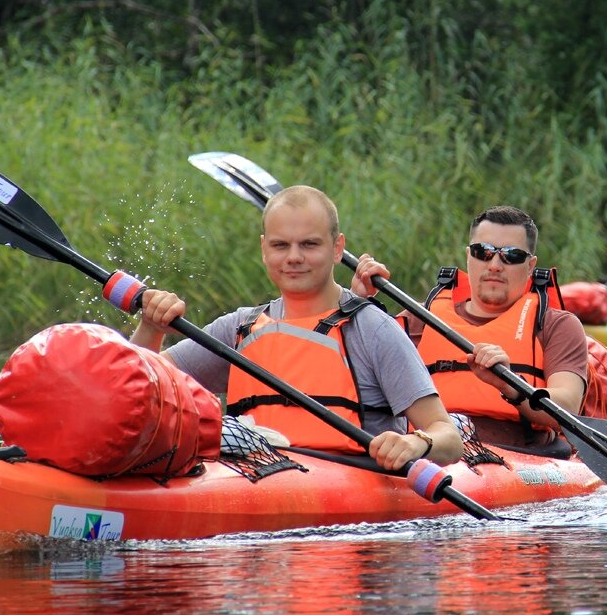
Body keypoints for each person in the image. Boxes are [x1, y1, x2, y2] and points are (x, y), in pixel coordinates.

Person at [130, 185, 463, 471]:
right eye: (280, 245)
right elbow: (140, 389)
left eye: (309, 244)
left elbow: (447, 437)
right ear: (264, 249)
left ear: (336, 248)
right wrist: (151, 327)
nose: (293, 257)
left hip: (348, 497)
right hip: (251, 480)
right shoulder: (239, 328)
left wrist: (417, 443)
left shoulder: (373, 329)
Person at [352, 206, 589, 451]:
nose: (495, 264)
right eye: (482, 252)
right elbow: (355, 372)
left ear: (530, 266)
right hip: (430, 450)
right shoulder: (420, 318)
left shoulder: (557, 325)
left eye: (512, 255)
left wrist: (509, 385)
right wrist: (358, 305)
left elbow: (568, 410)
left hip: (520, 456)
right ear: (468, 256)